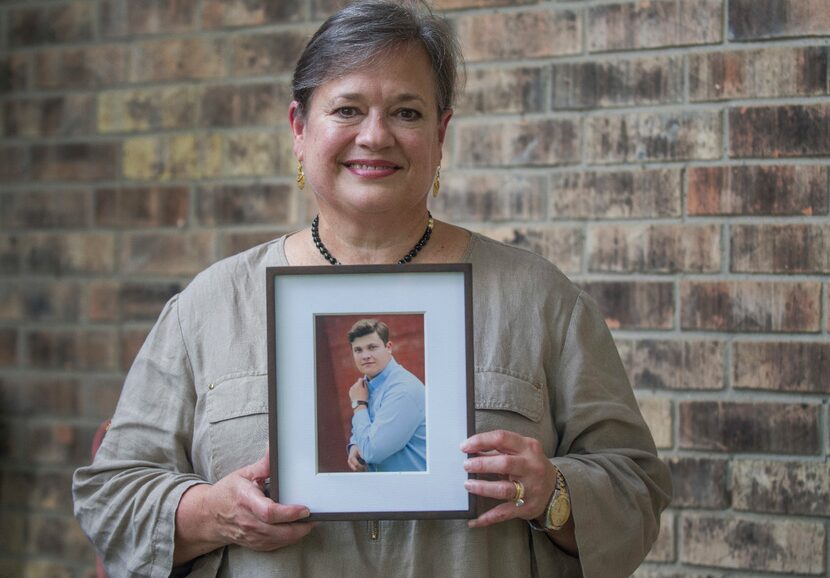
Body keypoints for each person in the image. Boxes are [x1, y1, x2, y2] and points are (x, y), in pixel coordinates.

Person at [73, 1, 672, 577]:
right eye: (347, 110)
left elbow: (635, 489)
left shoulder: (540, 300)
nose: (376, 136)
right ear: (299, 128)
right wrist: (209, 514)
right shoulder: (208, 307)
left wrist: (553, 493)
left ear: (441, 135)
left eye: (407, 113)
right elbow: (111, 497)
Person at [344, 319, 427, 472]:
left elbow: (371, 452)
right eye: (358, 350)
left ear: (388, 347)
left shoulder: (402, 390)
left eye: (372, 347)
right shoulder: (365, 386)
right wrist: (355, 443)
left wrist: (358, 404)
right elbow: (366, 427)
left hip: (412, 490)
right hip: (386, 489)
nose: (365, 356)